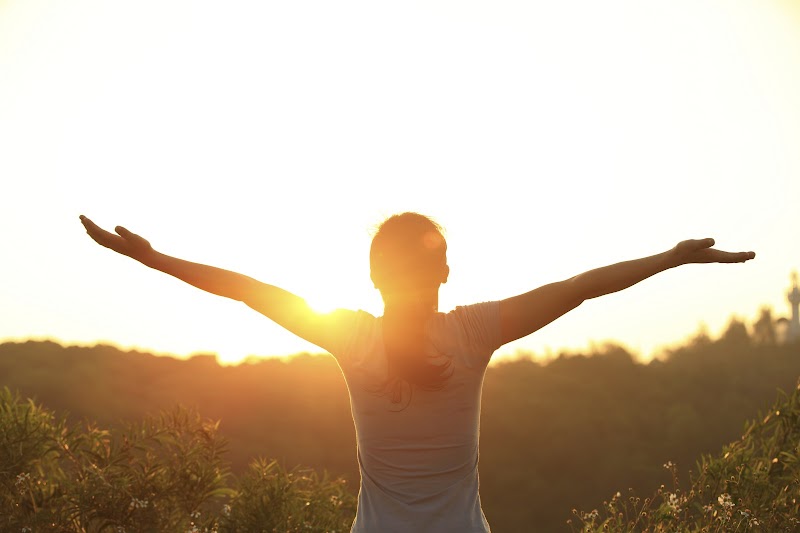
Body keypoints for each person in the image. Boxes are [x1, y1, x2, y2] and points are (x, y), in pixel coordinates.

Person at [79, 212, 755, 532]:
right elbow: (579, 286)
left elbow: (247, 289)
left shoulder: (351, 336)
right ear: (445, 272)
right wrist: (668, 258)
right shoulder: (472, 332)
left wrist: (153, 257)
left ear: (373, 277)